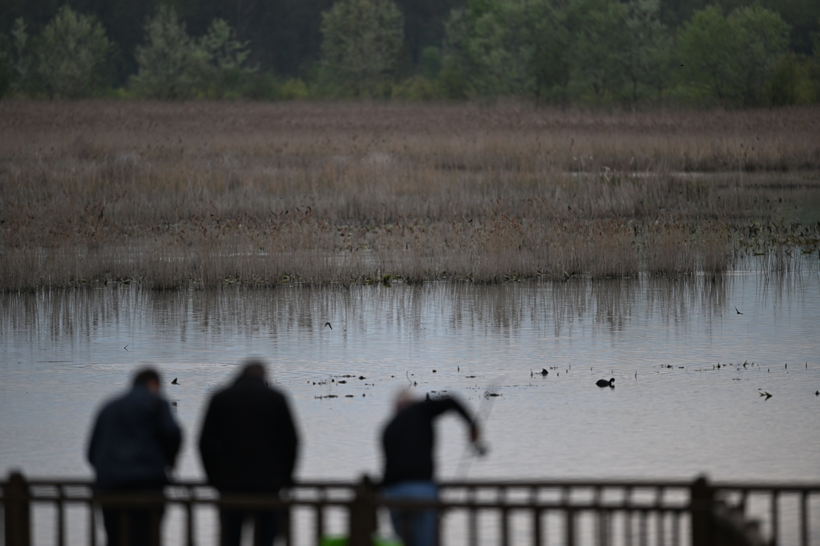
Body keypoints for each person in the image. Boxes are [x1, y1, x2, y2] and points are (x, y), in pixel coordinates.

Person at [198, 360, 299, 546]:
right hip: (269, 485)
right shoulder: (276, 398)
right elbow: (291, 442)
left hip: (229, 485)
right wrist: (286, 478)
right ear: (263, 376)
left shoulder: (220, 398)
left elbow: (204, 443)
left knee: (230, 538)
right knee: (266, 539)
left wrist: (213, 478)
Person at [87, 367, 183, 546]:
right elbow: (172, 434)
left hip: (110, 487)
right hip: (147, 485)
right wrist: (169, 463)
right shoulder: (157, 404)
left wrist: (108, 471)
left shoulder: (109, 407)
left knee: (115, 538)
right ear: (153, 384)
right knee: (147, 537)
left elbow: (92, 452)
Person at [380, 391, 481, 546]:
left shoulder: (388, 428)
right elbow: (451, 400)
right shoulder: (421, 410)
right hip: (422, 490)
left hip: (394, 492)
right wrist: (472, 426)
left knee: (402, 541)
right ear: (412, 403)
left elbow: (387, 467)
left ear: (395, 408)